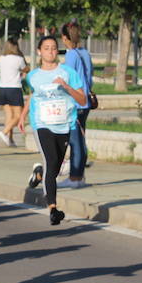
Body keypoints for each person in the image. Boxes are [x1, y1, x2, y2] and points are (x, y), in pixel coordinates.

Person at [20, 34, 88, 225]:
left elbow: (82, 99)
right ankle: (53, 208)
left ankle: (39, 173)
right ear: (39, 52)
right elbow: (33, 95)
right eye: (46, 48)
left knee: (55, 167)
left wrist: (66, 86)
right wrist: (23, 115)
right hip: (42, 124)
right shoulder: (33, 76)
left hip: (65, 124)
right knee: (51, 161)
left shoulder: (68, 72)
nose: (50, 51)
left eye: (53, 48)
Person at [61, 21, 94, 189]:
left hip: (75, 103)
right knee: (80, 139)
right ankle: (79, 176)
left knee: (75, 142)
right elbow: (90, 76)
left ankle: (74, 177)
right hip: (86, 101)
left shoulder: (71, 56)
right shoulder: (85, 53)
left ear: (64, 38)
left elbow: (66, 79)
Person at [0, 40, 28, 146]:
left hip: (2, 88)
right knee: (19, 116)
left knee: (9, 115)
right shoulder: (18, 59)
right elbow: (26, 69)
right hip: (14, 88)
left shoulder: (1, 59)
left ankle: (10, 139)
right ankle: (4, 132)